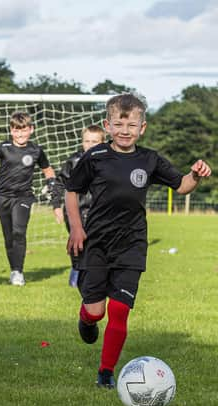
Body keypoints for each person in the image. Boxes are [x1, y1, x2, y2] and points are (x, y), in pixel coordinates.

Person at [65, 93, 212, 388]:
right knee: (97, 310)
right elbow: (71, 190)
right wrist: (77, 228)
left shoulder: (149, 159)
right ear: (107, 125)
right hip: (96, 242)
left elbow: (182, 186)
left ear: (142, 128)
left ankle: (106, 373)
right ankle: (86, 319)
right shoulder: (94, 157)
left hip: (132, 244)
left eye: (132, 125)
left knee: (119, 311)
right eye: (119, 123)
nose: (125, 130)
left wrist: (196, 174)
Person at [0, 111, 60, 286]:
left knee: (18, 232)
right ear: (11, 130)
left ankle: (18, 272)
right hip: (1, 198)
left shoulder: (36, 150)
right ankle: (13, 269)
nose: (20, 134)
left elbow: (48, 170)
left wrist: (52, 185)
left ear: (31, 129)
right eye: (16, 130)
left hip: (23, 197)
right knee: (9, 236)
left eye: (24, 130)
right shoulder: (3, 147)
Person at [52, 125, 105, 287]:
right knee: (77, 244)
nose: (90, 145)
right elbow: (60, 183)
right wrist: (56, 206)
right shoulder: (73, 161)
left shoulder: (109, 162)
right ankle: (75, 274)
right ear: (82, 142)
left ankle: (97, 277)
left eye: (95, 142)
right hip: (76, 211)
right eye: (87, 141)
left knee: (99, 246)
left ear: (103, 143)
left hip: (99, 211)